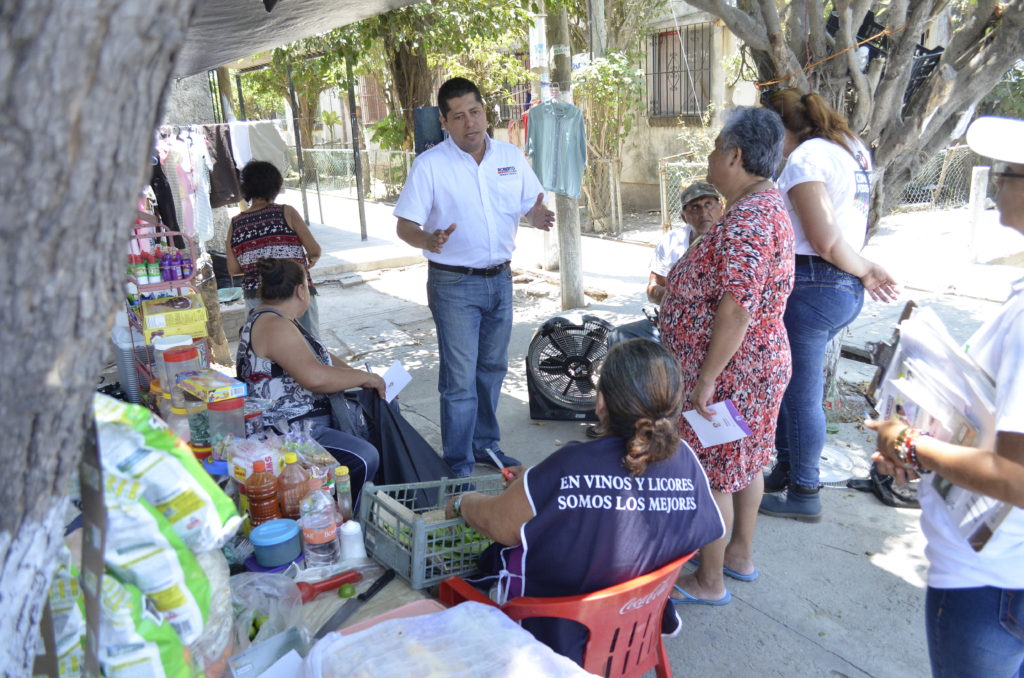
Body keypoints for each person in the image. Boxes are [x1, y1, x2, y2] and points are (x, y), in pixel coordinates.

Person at [447, 338, 725, 665]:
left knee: (463, 578)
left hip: (557, 636)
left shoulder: (569, 466)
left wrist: (463, 502)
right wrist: (537, 482)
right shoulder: (686, 461)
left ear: (602, 402)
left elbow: (499, 526)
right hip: (637, 625)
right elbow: (703, 528)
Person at [867, 116, 1024, 678]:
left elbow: (1014, 478)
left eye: (1007, 172)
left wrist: (909, 443)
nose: (999, 182)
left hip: (992, 579)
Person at [658, 106, 794, 605]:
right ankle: (737, 555)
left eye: (717, 149)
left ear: (734, 156)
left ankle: (709, 579)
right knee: (747, 464)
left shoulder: (747, 221)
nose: (712, 158)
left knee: (714, 472)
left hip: (733, 373)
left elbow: (738, 305)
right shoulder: (761, 206)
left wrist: (706, 379)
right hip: (754, 366)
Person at [393, 77, 555, 478]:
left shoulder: (510, 157)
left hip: (501, 279)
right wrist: (427, 238)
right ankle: (459, 461)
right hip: (453, 284)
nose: (470, 123)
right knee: (460, 378)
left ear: (486, 112)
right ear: (445, 122)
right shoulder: (430, 165)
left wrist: (535, 216)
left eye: (476, 112)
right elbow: (404, 226)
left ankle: (486, 445)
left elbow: (527, 206)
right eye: (459, 116)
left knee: (493, 369)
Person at [758, 88, 898, 522]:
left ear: (783, 129)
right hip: (833, 283)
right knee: (790, 385)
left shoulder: (806, 158)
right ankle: (786, 469)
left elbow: (824, 238)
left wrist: (866, 269)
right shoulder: (849, 149)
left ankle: (804, 490)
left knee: (800, 394)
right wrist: (861, 269)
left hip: (815, 281)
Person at [235, 258, 384, 510]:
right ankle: (352, 524)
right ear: (301, 290)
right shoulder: (274, 325)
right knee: (365, 456)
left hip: (302, 422)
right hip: (286, 430)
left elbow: (321, 358)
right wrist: (366, 378)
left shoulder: (280, 320)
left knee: (377, 425)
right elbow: (315, 377)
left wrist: (366, 379)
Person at [605, 181, 723, 346]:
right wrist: (675, 296)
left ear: (721, 208)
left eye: (708, 204)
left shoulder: (730, 243)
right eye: (695, 207)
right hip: (671, 323)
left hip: (712, 329)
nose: (704, 212)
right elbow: (652, 288)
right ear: (684, 217)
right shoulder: (671, 241)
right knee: (619, 337)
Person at [227, 160, 323, 341]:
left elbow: (233, 269)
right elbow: (314, 250)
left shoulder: (235, 224)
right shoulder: (287, 212)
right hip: (294, 291)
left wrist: (257, 266)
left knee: (268, 351)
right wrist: (311, 258)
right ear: (275, 187)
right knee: (310, 346)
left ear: (245, 189)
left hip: (257, 295)